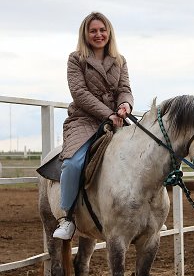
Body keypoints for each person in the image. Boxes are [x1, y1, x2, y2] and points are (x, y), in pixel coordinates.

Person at [53, 12, 134, 240]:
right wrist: (107, 113)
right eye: (93, 31)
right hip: (84, 119)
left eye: (102, 30)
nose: (98, 34)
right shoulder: (75, 59)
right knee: (73, 162)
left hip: (116, 118)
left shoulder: (120, 60)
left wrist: (125, 105)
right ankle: (67, 217)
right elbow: (80, 94)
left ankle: (146, 212)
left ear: (109, 32)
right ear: (85, 34)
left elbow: (124, 88)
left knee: (140, 155)